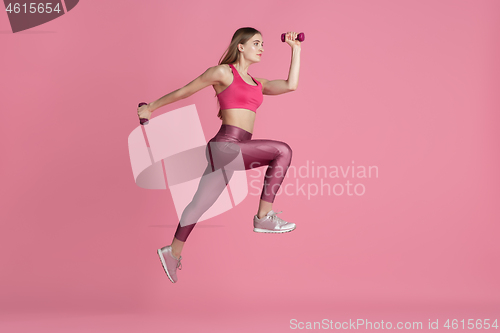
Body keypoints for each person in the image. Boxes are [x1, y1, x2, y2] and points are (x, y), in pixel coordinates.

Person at [137, 27, 301, 283]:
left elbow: (291, 85)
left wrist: (296, 50)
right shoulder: (224, 72)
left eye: (263, 44)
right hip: (225, 146)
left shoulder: (260, 84)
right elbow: (185, 90)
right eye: (256, 43)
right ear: (241, 46)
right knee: (283, 151)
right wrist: (151, 107)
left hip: (232, 152)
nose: (262, 48)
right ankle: (263, 217)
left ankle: (172, 252)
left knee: (198, 205)